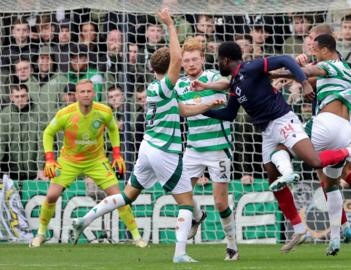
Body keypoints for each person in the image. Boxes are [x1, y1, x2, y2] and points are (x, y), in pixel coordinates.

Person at [190, 41, 351, 253]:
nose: (217, 63)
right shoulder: (235, 84)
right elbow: (229, 114)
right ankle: (298, 228)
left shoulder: (252, 67)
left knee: (313, 161)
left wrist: (304, 82)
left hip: (283, 120)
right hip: (267, 131)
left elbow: (286, 60)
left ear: (225, 60)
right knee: (272, 177)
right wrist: (201, 110)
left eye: (218, 59)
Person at [70, 9, 224, 263]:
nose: (182, 65)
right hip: (165, 151)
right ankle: (181, 254)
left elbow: (183, 110)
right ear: (170, 69)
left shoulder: (155, 89)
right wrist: (170, 25)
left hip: (147, 149)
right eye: (178, 65)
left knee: (128, 196)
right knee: (186, 204)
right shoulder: (165, 87)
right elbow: (176, 59)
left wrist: (208, 105)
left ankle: (83, 219)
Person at [272, 34, 351, 255]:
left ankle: (347, 153)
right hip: (344, 128)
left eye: (315, 49)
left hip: (326, 124)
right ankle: (338, 238)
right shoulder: (345, 69)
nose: (312, 52)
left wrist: (275, 72)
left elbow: (309, 73)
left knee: (283, 145)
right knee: (331, 182)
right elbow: (309, 78)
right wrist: (298, 71)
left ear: (326, 50)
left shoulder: (329, 64)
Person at [29, 79, 146, 248]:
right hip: (69, 161)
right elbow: (48, 132)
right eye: (82, 92)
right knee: (51, 196)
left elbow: (113, 129)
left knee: (118, 197)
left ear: (94, 93)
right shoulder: (65, 113)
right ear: (76, 95)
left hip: (96, 160)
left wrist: (117, 155)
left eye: (89, 91)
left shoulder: (104, 111)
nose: (85, 94)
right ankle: (40, 234)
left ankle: (137, 237)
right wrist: (49, 158)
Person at [174, 37, 238, 260]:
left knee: (220, 202)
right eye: (187, 60)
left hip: (218, 147)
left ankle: (232, 246)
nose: (191, 64)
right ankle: (198, 215)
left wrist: (207, 92)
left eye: (194, 59)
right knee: (180, 194)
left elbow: (228, 84)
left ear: (202, 59)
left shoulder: (212, 77)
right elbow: (180, 109)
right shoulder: (180, 85)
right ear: (182, 63)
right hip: (193, 148)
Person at [0, 84, 48, 184]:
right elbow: (1, 143)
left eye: (23, 96)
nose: (20, 99)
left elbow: (42, 143)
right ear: (11, 98)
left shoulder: (39, 113)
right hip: (11, 172)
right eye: (17, 96)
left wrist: (40, 168)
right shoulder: (4, 115)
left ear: (28, 96)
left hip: (34, 172)